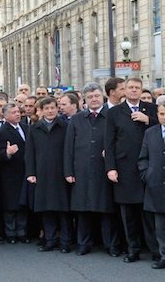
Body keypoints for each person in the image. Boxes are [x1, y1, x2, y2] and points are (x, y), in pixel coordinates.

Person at [104, 77, 159, 263]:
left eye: (137, 87)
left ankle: (155, 250)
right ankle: (132, 249)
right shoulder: (115, 113)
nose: (134, 90)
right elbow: (109, 143)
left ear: (142, 89)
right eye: (130, 87)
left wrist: (148, 120)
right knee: (128, 214)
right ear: (124, 90)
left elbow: (162, 128)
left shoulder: (151, 110)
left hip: (149, 167)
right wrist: (110, 168)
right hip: (124, 169)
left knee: (150, 213)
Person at [63, 83, 119, 256]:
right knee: (83, 210)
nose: (94, 99)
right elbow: (68, 148)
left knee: (107, 210)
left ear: (102, 96)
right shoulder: (77, 119)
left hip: (105, 170)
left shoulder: (112, 116)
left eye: (96, 96)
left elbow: (119, 141)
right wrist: (68, 172)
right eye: (90, 97)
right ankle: (83, 243)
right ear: (85, 100)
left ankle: (111, 245)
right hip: (82, 170)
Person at [25, 97, 71, 253]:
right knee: (46, 209)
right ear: (42, 111)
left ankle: (65, 241)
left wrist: (69, 171)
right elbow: (29, 152)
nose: (50, 111)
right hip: (42, 173)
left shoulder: (65, 126)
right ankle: (50, 240)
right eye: (47, 108)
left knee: (63, 210)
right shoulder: (34, 128)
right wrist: (31, 172)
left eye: (53, 108)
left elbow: (70, 151)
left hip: (61, 172)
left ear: (57, 108)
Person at [0, 103, 30, 244]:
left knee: (22, 204)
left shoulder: (26, 128)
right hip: (9, 174)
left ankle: (22, 232)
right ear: (5, 115)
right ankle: (10, 233)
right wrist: (7, 153)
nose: (17, 114)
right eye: (13, 112)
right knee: (10, 206)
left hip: (24, 171)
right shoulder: (1, 132)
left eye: (18, 111)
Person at [138, 103, 165, 269]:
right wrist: (147, 174)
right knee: (160, 227)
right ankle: (163, 255)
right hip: (156, 185)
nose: (164, 117)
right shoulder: (150, 133)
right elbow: (143, 157)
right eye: (161, 113)